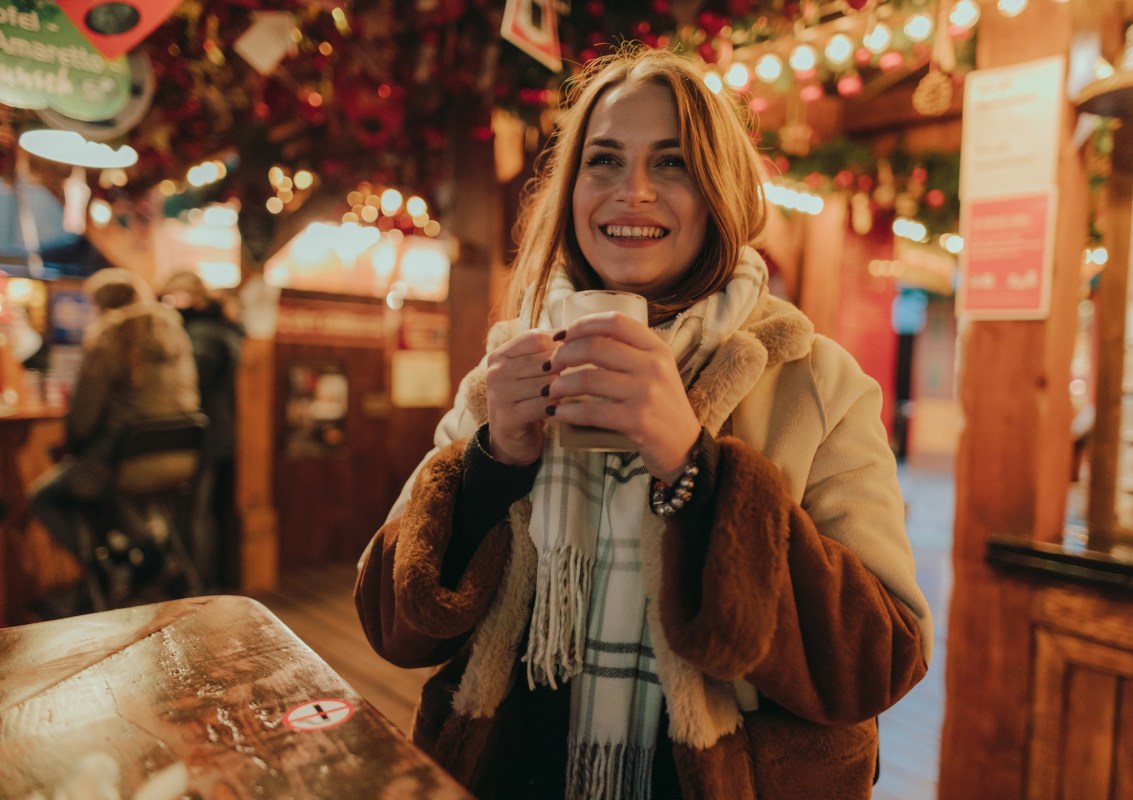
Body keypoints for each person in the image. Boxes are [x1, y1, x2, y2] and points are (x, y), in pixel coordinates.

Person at [355, 45, 931, 800]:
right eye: (603, 160)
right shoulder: (508, 370)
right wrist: (493, 464)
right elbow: (393, 628)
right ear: (571, 190)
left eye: (672, 163)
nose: (631, 191)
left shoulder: (812, 379)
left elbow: (878, 657)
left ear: (719, 190)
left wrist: (696, 468)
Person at [28, 268, 199, 613]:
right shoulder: (176, 333)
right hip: (180, 460)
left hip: (125, 462)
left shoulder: (109, 337)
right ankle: (149, 553)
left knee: (45, 496)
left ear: (101, 306)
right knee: (122, 497)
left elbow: (83, 418)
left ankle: (103, 568)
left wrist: (74, 444)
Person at [161, 270, 244, 590]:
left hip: (203, 432)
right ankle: (202, 580)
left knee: (195, 513)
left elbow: (194, 382)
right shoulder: (220, 328)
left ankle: (196, 585)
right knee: (203, 511)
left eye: (173, 298)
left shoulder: (201, 334)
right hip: (217, 429)